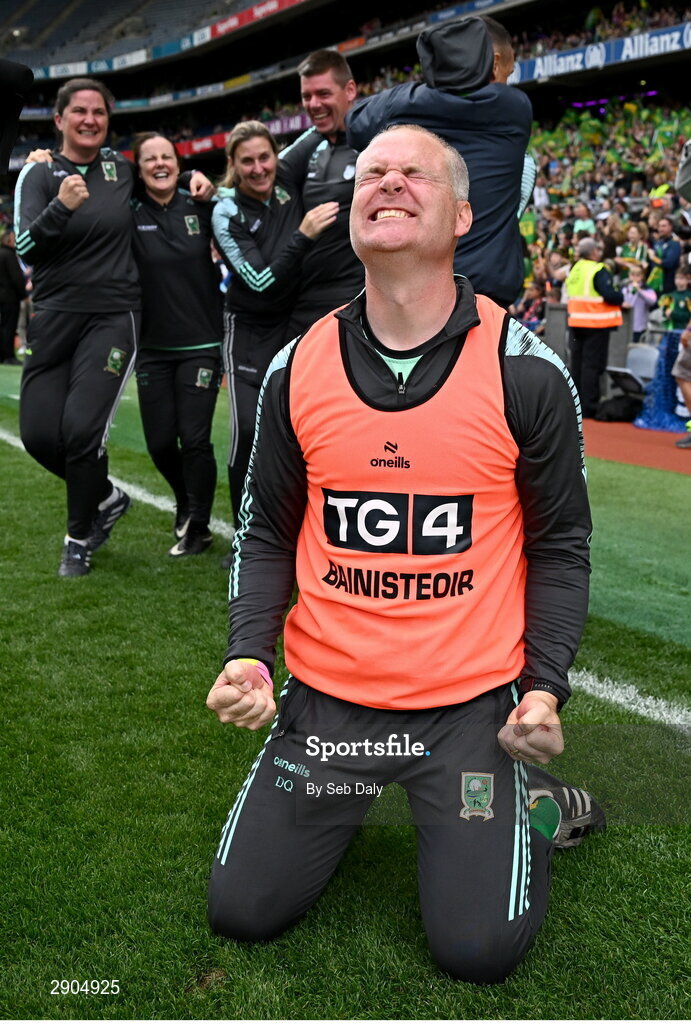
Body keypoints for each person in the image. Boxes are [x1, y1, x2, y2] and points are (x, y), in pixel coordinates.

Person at [206, 125, 604, 984]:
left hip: (466, 714)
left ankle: (531, 799)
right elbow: (268, 530)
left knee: (475, 953)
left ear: (461, 214)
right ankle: (341, 807)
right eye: (370, 173)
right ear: (350, 215)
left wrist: (543, 685)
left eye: (411, 173)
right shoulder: (296, 365)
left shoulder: (524, 369)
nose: (386, 182)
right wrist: (247, 651)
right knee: (241, 913)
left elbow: (561, 544)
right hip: (328, 713)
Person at [14, 77, 212, 577]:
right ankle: (105, 497)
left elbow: (162, 171)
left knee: (83, 431)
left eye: (98, 113)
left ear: (107, 121)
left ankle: (77, 538)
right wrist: (63, 205)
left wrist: (196, 177)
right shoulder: (37, 174)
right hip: (55, 315)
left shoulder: (120, 169)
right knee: (39, 435)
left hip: (114, 316)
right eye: (78, 111)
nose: (89, 120)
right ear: (58, 120)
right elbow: (25, 250)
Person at [345, 16, 535, 308]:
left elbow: (354, 123)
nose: (506, 82)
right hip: (486, 295)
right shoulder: (515, 107)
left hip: (416, 290)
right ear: (494, 63)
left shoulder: (403, 104)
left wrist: (424, 88)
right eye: (507, 72)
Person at [212, 121, 338, 531]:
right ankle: (241, 532)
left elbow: (321, 128)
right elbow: (261, 281)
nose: (258, 168)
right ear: (232, 164)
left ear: (275, 156)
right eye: (246, 161)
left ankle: (292, 525)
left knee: (294, 434)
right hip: (247, 330)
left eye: (265, 157)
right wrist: (303, 235)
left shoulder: (285, 178)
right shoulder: (226, 209)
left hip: (292, 327)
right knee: (248, 432)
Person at [131, 132, 223, 557]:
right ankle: (185, 499)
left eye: (167, 157)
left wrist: (198, 178)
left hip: (201, 342)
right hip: (151, 346)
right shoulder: (128, 209)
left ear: (177, 160)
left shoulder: (201, 205)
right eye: (150, 159)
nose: (159, 165)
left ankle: (199, 526)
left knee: (196, 439)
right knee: (160, 443)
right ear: (139, 167)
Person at [279, 50, 364, 338]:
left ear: (349, 90)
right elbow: (253, 179)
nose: (313, 104)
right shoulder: (309, 146)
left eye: (323, 93)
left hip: (358, 297)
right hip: (306, 299)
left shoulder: (378, 140)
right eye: (306, 96)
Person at [565, 237, 624, 417]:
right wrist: (619, 296)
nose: (599, 252)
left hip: (576, 322)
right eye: (597, 250)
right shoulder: (597, 269)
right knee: (591, 366)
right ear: (593, 252)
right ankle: (588, 406)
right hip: (595, 323)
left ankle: (575, 404)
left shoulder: (575, 269)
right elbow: (609, 294)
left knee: (577, 365)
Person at [0, 230, 26, 364]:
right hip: (10, 298)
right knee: (9, 327)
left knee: (2, 326)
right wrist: (24, 294)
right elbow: (16, 278)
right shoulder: (9, 256)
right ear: (9, 241)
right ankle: (8, 356)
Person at [621, 264, 657, 343]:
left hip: (639, 327)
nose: (635, 278)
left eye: (637, 275)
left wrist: (639, 290)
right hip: (625, 326)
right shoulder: (624, 287)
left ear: (642, 276)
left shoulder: (647, 289)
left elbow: (653, 301)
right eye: (632, 275)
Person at [646, 215, 682, 294]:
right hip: (654, 281)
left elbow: (668, 263)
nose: (661, 229)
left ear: (670, 227)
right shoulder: (658, 243)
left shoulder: (674, 244)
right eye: (659, 226)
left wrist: (653, 257)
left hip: (667, 282)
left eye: (664, 226)